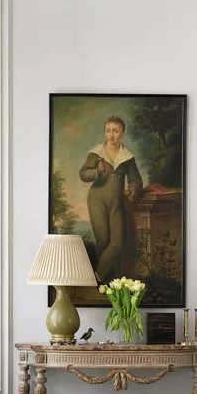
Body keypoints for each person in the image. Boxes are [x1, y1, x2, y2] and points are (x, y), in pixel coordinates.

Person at [79, 115, 143, 282]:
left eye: (115, 131)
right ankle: (106, 282)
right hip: (97, 200)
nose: (111, 135)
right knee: (103, 239)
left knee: (118, 243)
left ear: (122, 133)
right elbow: (83, 174)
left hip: (117, 203)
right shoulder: (96, 153)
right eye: (108, 131)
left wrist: (133, 190)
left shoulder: (127, 156)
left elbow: (136, 180)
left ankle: (97, 276)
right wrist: (97, 171)